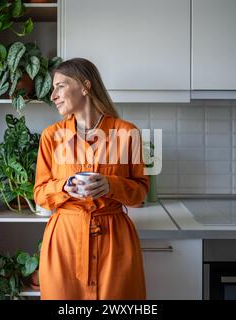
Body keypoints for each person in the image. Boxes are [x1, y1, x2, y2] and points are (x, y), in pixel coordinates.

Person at [33, 58, 149, 300]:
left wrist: (111, 185)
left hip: (115, 245)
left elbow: (139, 194)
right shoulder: (51, 137)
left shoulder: (128, 133)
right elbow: (40, 195)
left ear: (85, 86)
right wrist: (64, 187)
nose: (52, 95)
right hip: (64, 243)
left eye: (60, 86)